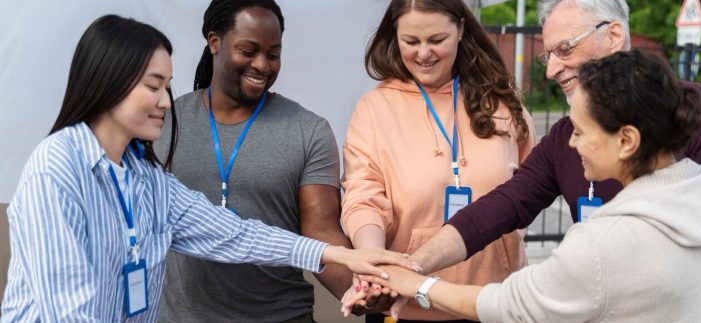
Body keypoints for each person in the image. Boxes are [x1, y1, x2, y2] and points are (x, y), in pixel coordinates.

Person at [0, 15, 411, 322]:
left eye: (167, 86)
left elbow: (236, 235)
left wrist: (342, 256)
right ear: (111, 82)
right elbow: (70, 313)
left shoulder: (145, 177)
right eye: (153, 85)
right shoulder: (56, 168)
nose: (166, 101)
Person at [354, 49, 701, 322]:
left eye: (581, 131)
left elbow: (511, 305)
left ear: (627, 140)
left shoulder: (604, 243)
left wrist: (418, 284)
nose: (570, 141)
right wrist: (416, 263)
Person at [405, 0, 701, 283]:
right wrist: (415, 264)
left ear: (614, 35)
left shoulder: (691, 110)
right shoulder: (565, 136)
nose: (552, 70)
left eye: (565, 49)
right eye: (548, 55)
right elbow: (503, 206)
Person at [152, 1, 359, 322]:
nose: (262, 65)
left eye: (273, 54)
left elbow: (322, 232)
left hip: (281, 316)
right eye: (248, 51)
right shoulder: (165, 120)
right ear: (214, 41)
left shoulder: (308, 130)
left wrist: (361, 289)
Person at [340, 0, 535, 321]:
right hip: (406, 306)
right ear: (394, 37)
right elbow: (364, 199)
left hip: (494, 302)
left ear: (460, 29)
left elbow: (531, 189)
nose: (424, 53)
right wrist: (374, 263)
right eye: (411, 42)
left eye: (436, 40)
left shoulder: (503, 104)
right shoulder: (375, 108)